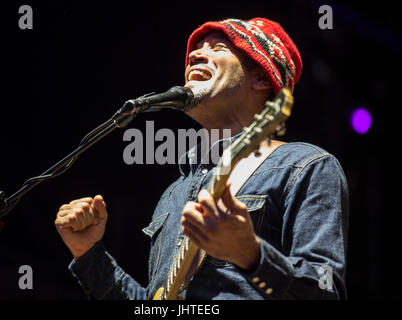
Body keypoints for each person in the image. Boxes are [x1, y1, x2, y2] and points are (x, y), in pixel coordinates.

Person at [54, 17, 349, 299]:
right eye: (197, 48)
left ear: (261, 78)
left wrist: (251, 254)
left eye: (218, 47)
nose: (196, 54)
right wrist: (89, 253)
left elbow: (325, 292)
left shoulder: (306, 166)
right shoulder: (174, 193)